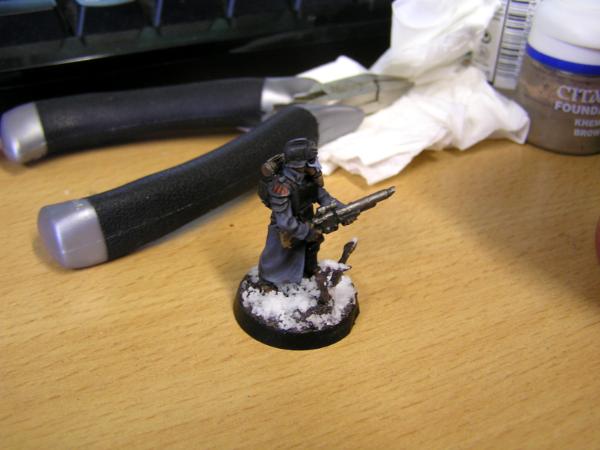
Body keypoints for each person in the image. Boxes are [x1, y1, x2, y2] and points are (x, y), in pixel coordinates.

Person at [258, 138, 344, 286]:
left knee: (312, 245)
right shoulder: (281, 187)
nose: (315, 163)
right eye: (311, 160)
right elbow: (284, 221)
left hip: (307, 219)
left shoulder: (307, 177)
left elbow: (323, 196)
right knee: (277, 257)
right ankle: (267, 282)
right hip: (285, 229)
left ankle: (309, 271)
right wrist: (306, 232)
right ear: (299, 164)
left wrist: (342, 209)